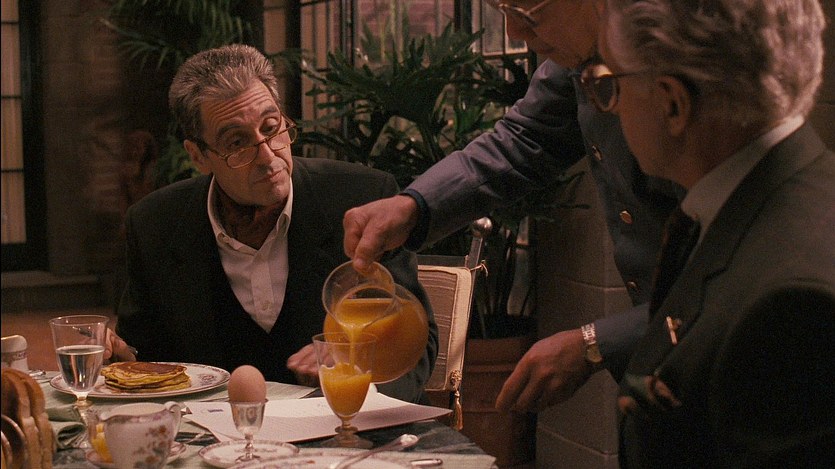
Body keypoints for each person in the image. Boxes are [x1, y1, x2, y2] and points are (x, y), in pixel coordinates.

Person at [343, 0, 680, 412]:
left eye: (527, 13)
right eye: (502, 9)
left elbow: (729, 271)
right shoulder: (584, 49)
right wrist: (414, 205)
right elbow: (526, 136)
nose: (514, 33)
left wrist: (596, 343)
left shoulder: (694, 61)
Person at [115, 44, 438, 404]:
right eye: (237, 143)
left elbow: (417, 348)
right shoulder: (155, 224)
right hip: (215, 433)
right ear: (198, 156)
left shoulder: (363, 197)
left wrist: (358, 378)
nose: (268, 156)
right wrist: (114, 356)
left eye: (272, 127)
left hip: (346, 426)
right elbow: (143, 356)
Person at [593, 0, 834, 465]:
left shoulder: (792, 307)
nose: (612, 106)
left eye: (611, 83)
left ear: (672, 103)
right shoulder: (776, 197)